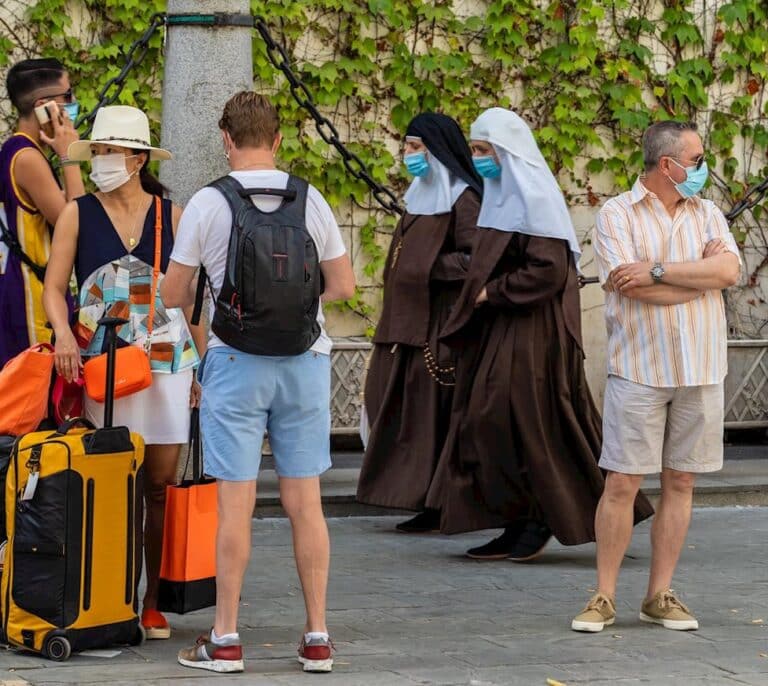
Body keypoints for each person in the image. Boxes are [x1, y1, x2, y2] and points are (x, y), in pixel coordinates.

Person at [160, 91, 355, 675]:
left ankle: (225, 638)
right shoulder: (310, 198)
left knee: (235, 507)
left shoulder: (208, 203)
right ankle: (317, 635)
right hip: (304, 362)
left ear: (226, 139)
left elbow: (173, 294)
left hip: (235, 362)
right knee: (306, 505)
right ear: (277, 138)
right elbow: (342, 285)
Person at [428, 107, 653, 560]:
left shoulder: (534, 201)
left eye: (483, 150)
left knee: (523, 421)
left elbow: (548, 271)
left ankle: (537, 519)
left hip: (533, 331)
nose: (476, 159)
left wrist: (494, 291)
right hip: (508, 328)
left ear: (507, 154)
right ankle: (534, 517)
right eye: (473, 149)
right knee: (513, 423)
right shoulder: (500, 196)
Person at [571, 121, 739, 633]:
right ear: (668, 164)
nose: (702, 167)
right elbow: (630, 287)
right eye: (696, 158)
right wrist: (697, 279)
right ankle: (603, 596)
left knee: (681, 480)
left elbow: (729, 273)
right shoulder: (616, 213)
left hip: (701, 366)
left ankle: (659, 594)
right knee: (622, 481)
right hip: (641, 369)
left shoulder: (707, 212)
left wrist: (661, 270)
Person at [43, 105, 203, 641]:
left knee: (157, 485)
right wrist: (63, 333)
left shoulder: (172, 216)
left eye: (111, 152)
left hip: (166, 365)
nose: (102, 162)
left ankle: (152, 600)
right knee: (108, 480)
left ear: (136, 159)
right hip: (104, 362)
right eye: (98, 152)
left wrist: (203, 370)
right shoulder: (77, 213)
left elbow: (194, 305)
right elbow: (52, 286)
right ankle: (106, 597)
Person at [356, 113, 482, 533]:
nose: (407, 155)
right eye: (407, 146)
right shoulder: (421, 194)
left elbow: (476, 262)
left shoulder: (463, 198)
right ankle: (420, 499)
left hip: (440, 327)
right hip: (407, 324)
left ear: (436, 151)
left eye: (414, 147)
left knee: (435, 417)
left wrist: (428, 266)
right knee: (405, 413)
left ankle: (441, 504)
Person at [0, 58, 85, 367]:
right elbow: (78, 222)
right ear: (43, 105)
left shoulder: (16, 150)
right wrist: (68, 156)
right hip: (30, 303)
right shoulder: (27, 159)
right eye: (68, 95)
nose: (74, 104)